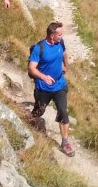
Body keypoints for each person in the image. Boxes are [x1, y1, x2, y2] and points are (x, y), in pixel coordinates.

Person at [28, 22, 75, 156]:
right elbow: (31, 68)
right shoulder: (39, 48)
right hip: (43, 87)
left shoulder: (60, 42)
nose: (62, 36)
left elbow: (64, 53)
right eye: (60, 34)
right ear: (52, 36)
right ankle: (28, 123)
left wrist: (66, 65)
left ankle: (65, 142)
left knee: (63, 111)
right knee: (38, 112)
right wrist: (43, 77)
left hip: (59, 85)